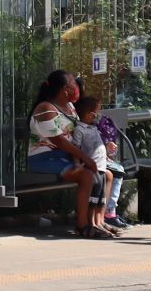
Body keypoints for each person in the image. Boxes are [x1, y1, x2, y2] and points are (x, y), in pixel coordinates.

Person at [28, 70, 109, 238]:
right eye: (73, 82)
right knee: (86, 176)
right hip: (45, 159)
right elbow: (59, 141)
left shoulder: (70, 107)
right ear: (65, 89)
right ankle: (82, 225)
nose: (76, 86)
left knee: (106, 174)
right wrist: (86, 159)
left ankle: (98, 221)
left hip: (65, 156)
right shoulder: (45, 109)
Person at [72, 95, 122, 238]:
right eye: (97, 112)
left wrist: (107, 148)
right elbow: (75, 147)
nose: (99, 116)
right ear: (89, 114)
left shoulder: (92, 128)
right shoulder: (80, 130)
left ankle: (98, 222)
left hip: (100, 166)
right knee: (93, 197)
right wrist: (77, 164)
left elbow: (97, 144)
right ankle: (91, 222)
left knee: (100, 197)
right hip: (92, 167)